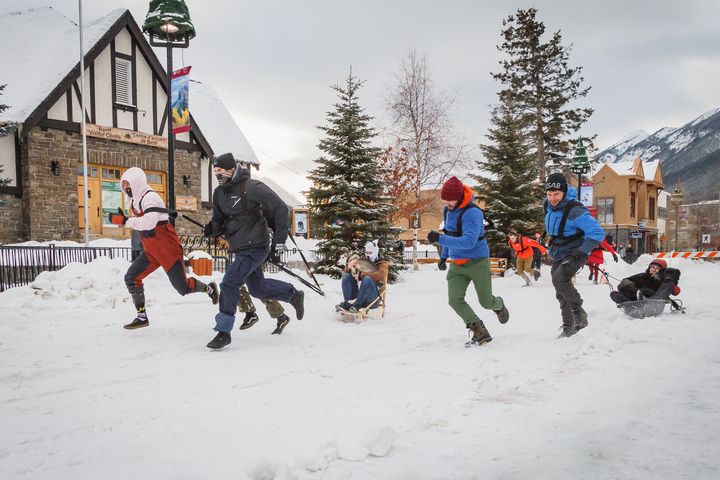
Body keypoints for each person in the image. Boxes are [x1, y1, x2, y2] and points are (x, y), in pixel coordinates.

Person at [203, 153, 305, 349]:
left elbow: (281, 210)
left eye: (222, 171)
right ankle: (293, 295)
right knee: (258, 289)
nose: (219, 175)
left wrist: (279, 243)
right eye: (215, 172)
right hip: (241, 248)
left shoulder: (251, 187)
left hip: (256, 246)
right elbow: (219, 221)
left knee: (229, 282)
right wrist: (212, 230)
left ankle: (224, 331)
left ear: (232, 169)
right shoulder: (219, 194)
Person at [112, 167, 219, 330]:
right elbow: (138, 222)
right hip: (151, 251)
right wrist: (124, 220)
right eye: (123, 184)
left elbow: (148, 222)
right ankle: (142, 316)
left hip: (168, 251)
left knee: (183, 288)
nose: (126, 187)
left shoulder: (151, 198)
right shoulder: (134, 201)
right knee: (131, 277)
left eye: (128, 183)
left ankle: (209, 288)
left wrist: (126, 220)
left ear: (136, 183)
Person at [427, 176, 509, 347]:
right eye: (445, 200)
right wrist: (444, 256)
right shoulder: (448, 210)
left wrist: (440, 240)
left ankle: (498, 305)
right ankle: (479, 330)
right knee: (454, 300)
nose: (447, 203)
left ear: (459, 197)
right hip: (457, 263)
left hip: (477, 261)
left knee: (485, 302)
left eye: (450, 200)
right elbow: (450, 233)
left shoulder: (473, 213)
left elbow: (468, 242)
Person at [544, 173, 605, 338]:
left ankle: (579, 313)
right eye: (549, 194)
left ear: (564, 192)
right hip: (559, 251)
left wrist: (582, 251)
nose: (553, 198)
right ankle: (569, 325)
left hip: (575, 252)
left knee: (560, 279)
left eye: (556, 194)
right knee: (559, 289)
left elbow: (597, 232)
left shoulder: (574, 210)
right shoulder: (548, 205)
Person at [336, 240, 389, 312]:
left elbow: (382, 275)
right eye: (366, 252)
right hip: (359, 296)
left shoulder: (382, 264)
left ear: (375, 252)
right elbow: (352, 273)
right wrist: (348, 267)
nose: (368, 255)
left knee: (367, 278)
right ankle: (348, 303)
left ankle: (356, 306)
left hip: (372, 299)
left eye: (370, 253)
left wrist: (362, 275)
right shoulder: (363, 261)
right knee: (346, 276)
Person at [610, 259, 681, 304]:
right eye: (652, 267)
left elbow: (675, 291)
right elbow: (628, 280)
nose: (653, 269)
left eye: (657, 268)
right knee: (614, 294)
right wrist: (627, 284)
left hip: (652, 298)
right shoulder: (643, 275)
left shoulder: (664, 280)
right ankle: (630, 303)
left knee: (643, 291)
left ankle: (640, 299)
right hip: (634, 295)